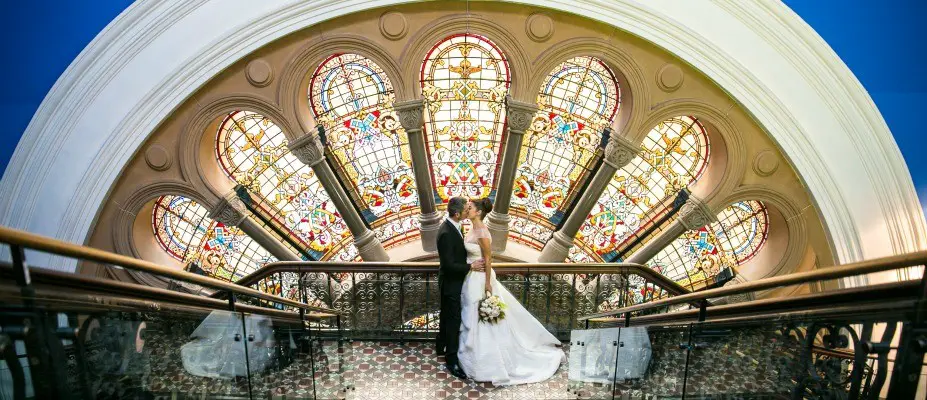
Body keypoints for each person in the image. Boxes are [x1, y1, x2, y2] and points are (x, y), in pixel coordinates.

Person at [457, 197, 565, 385]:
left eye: (470, 208)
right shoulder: (472, 228)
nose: (467, 210)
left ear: (479, 212)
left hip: (481, 278)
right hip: (472, 276)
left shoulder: (482, 230)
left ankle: (487, 361)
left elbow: (489, 258)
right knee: (472, 315)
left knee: (481, 317)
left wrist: (488, 284)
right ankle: (474, 356)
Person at [435, 196, 484, 379]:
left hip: (456, 281)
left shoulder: (456, 226)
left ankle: (441, 345)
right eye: (465, 209)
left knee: (448, 316)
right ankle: (452, 361)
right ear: (457, 214)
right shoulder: (446, 232)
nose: (467, 211)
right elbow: (448, 265)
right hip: (450, 283)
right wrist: (470, 267)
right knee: (453, 320)